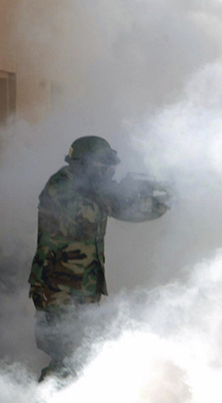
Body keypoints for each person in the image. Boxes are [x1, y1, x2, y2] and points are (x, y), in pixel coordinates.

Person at [28, 136, 169, 381]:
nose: (109, 173)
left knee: (80, 357)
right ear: (87, 165)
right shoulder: (60, 186)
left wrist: (163, 202)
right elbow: (85, 214)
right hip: (57, 290)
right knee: (65, 359)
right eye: (104, 168)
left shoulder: (97, 192)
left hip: (86, 288)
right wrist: (119, 193)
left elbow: (131, 211)